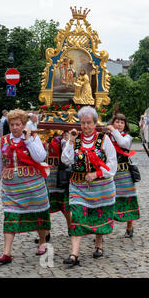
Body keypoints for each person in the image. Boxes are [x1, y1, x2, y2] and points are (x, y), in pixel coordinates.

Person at [0, 109, 51, 264]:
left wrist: (29, 139)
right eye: (12, 124)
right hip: (12, 189)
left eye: (18, 124)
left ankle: (42, 242)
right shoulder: (3, 141)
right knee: (10, 217)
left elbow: (40, 157)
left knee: (39, 215)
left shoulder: (33, 138)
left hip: (34, 187)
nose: (15, 127)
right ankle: (7, 252)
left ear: (24, 125)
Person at [61, 106, 117, 266]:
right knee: (77, 216)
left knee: (98, 214)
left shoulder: (104, 139)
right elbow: (66, 160)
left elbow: (112, 165)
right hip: (78, 186)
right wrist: (71, 141)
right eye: (82, 123)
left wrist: (96, 174)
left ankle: (98, 244)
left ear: (95, 123)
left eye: (89, 123)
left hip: (101, 187)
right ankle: (74, 254)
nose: (85, 126)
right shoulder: (76, 139)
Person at [106, 113, 139, 239]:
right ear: (112, 122)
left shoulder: (128, 137)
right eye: (117, 122)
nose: (119, 124)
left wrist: (113, 131)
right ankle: (106, 227)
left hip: (124, 173)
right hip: (110, 173)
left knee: (127, 199)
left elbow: (122, 144)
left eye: (122, 122)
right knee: (108, 199)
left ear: (125, 125)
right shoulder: (107, 137)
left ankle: (129, 226)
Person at [35, 132, 72, 244]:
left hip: (60, 177)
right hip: (46, 176)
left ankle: (71, 226)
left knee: (64, 206)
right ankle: (46, 231)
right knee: (45, 207)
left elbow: (68, 154)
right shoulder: (40, 138)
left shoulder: (62, 139)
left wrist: (67, 139)